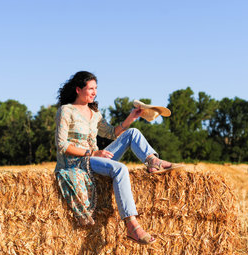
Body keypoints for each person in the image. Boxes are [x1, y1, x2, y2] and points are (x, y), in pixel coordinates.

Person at [54, 71, 173, 245]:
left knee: (132, 133)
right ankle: (131, 225)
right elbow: (62, 145)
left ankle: (152, 161)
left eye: (96, 88)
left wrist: (130, 118)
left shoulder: (94, 113)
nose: (94, 92)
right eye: (91, 88)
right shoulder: (66, 111)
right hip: (77, 161)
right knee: (120, 168)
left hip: (95, 157)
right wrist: (92, 153)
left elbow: (111, 133)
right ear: (78, 89)